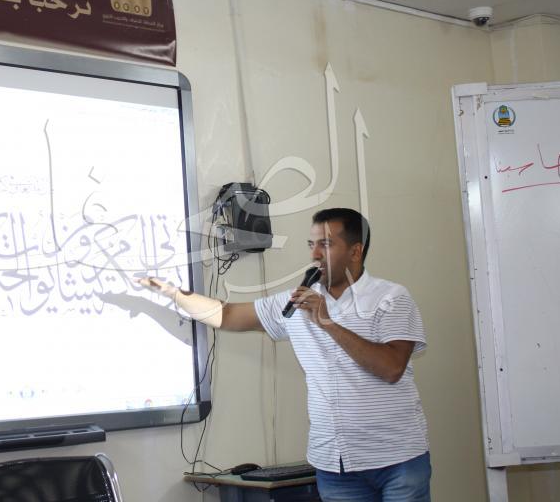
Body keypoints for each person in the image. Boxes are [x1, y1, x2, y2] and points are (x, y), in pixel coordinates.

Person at [140, 208, 431, 502]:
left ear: (356, 251)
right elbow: (226, 315)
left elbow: (391, 368)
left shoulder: (391, 298)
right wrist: (173, 293)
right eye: (311, 244)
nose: (315, 254)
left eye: (326, 244)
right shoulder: (296, 302)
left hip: (396, 459)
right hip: (334, 463)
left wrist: (328, 323)